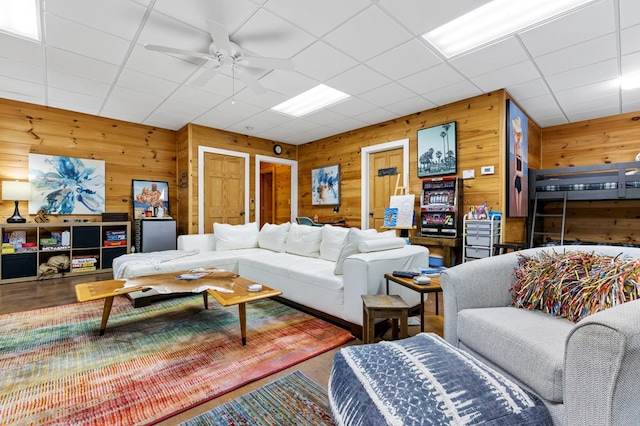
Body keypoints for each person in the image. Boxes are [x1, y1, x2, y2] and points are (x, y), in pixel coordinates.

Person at [512, 116, 524, 216]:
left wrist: (517, 173)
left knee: (519, 212)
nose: (517, 138)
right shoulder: (516, 148)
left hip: (518, 179)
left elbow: (522, 173)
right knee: (517, 211)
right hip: (516, 180)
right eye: (516, 135)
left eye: (518, 135)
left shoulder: (520, 152)